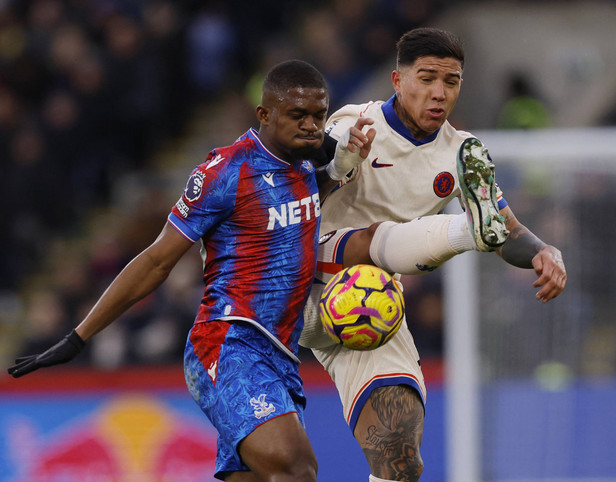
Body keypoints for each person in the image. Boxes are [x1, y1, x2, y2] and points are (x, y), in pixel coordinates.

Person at [7, 59, 374, 482]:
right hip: (229, 344)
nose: (312, 126)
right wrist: (79, 336)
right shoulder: (225, 172)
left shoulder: (307, 161)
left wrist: (341, 166)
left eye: (319, 115)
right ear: (264, 114)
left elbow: (303, 200)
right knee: (297, 469)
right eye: (298, 115)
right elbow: (156, 259)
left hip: (281, 355)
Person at [300, 28, 567, 482]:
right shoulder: (355, 124)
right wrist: (338, 163)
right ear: (397, 80)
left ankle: (472, 228)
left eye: (452, 81)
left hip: (368, 306)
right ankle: (466, 230)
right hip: (299, 283)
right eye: (427, 78)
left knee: (401, 456)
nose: (440, 93)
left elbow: (510, 232)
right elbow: (293, 192)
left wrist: (544, 252)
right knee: (373, 244)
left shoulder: (461, 153)